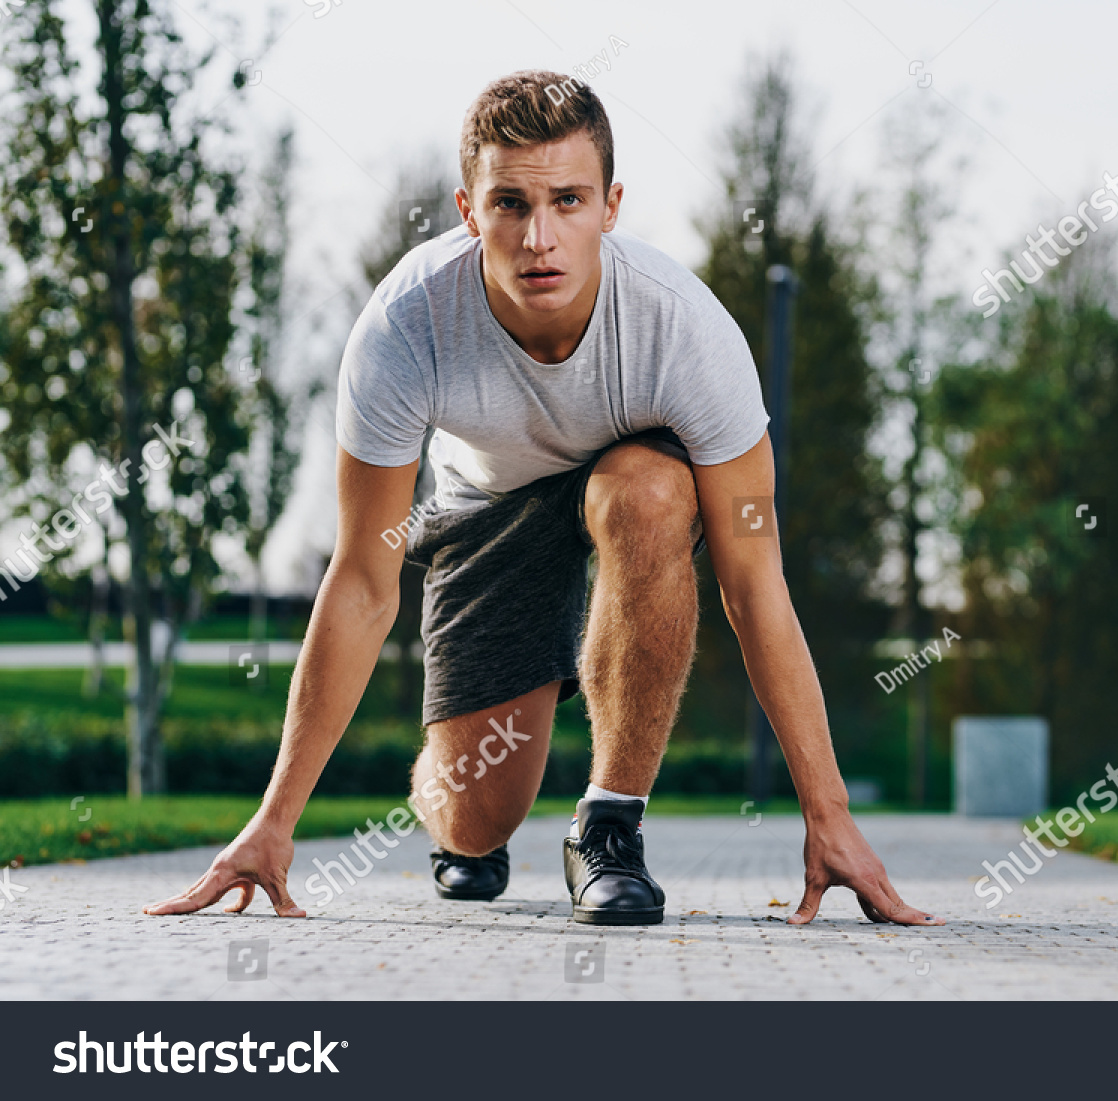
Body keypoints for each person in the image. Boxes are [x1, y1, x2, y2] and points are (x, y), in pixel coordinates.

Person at [145, 70, 942, 928]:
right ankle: (458, 831)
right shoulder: (407, 325)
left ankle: (608, 828)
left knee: (644, 489)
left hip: (622, 481)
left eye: (568, 200)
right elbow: (364, 581)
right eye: (511, 204)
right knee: (476, 811)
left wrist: (829, 812)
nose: (539, 238)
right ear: (467, 209)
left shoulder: (686, 333)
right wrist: (274, 820)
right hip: (486, 509)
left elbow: (755, 585)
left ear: (611, 206)